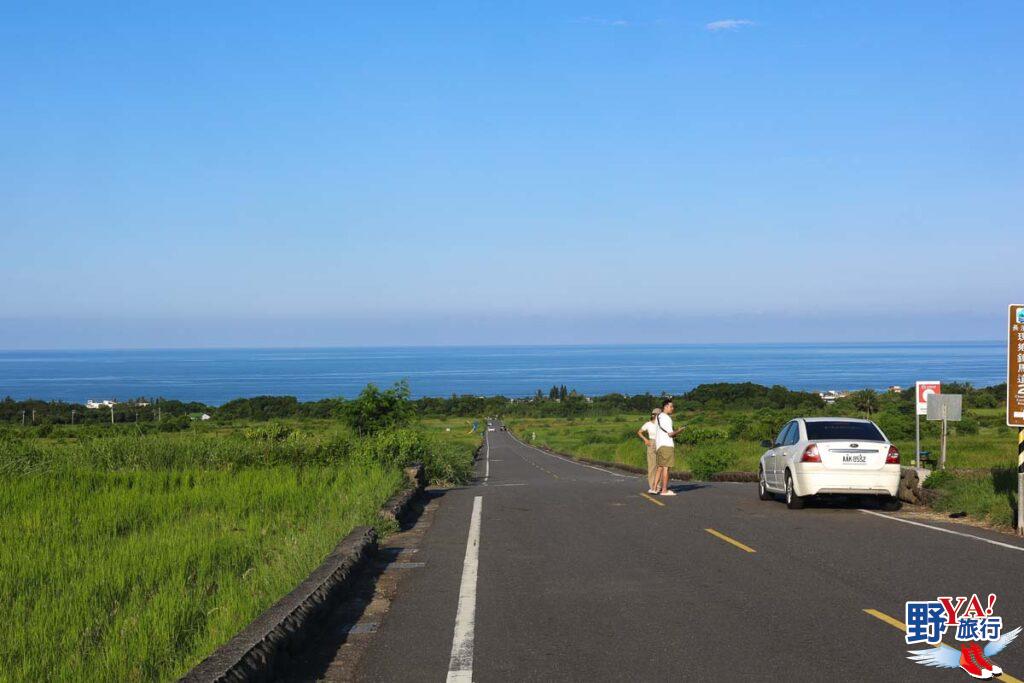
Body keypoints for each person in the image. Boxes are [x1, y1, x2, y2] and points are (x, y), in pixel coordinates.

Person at [654, 398, 685, 496]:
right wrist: (679, 431)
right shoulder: (667, 418)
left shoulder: (658, 417)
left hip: (659, 445)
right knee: (666, 468)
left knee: (661, 467)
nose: (673, 408)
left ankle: (655, 488)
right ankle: (664, 490)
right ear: (666, 407)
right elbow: (670, 434)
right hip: (666, 445)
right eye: (671, 406)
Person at [637, 408, 662, 494]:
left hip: (661, 443)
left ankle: (658, 486)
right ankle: (652, 486)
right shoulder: (648, 424)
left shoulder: (662, 424)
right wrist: (645, 440)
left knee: (660, 466)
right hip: (651, 442)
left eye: (657, 414)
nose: (654, 415)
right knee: (652, 466)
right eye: (654, 414)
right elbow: (639, 432)